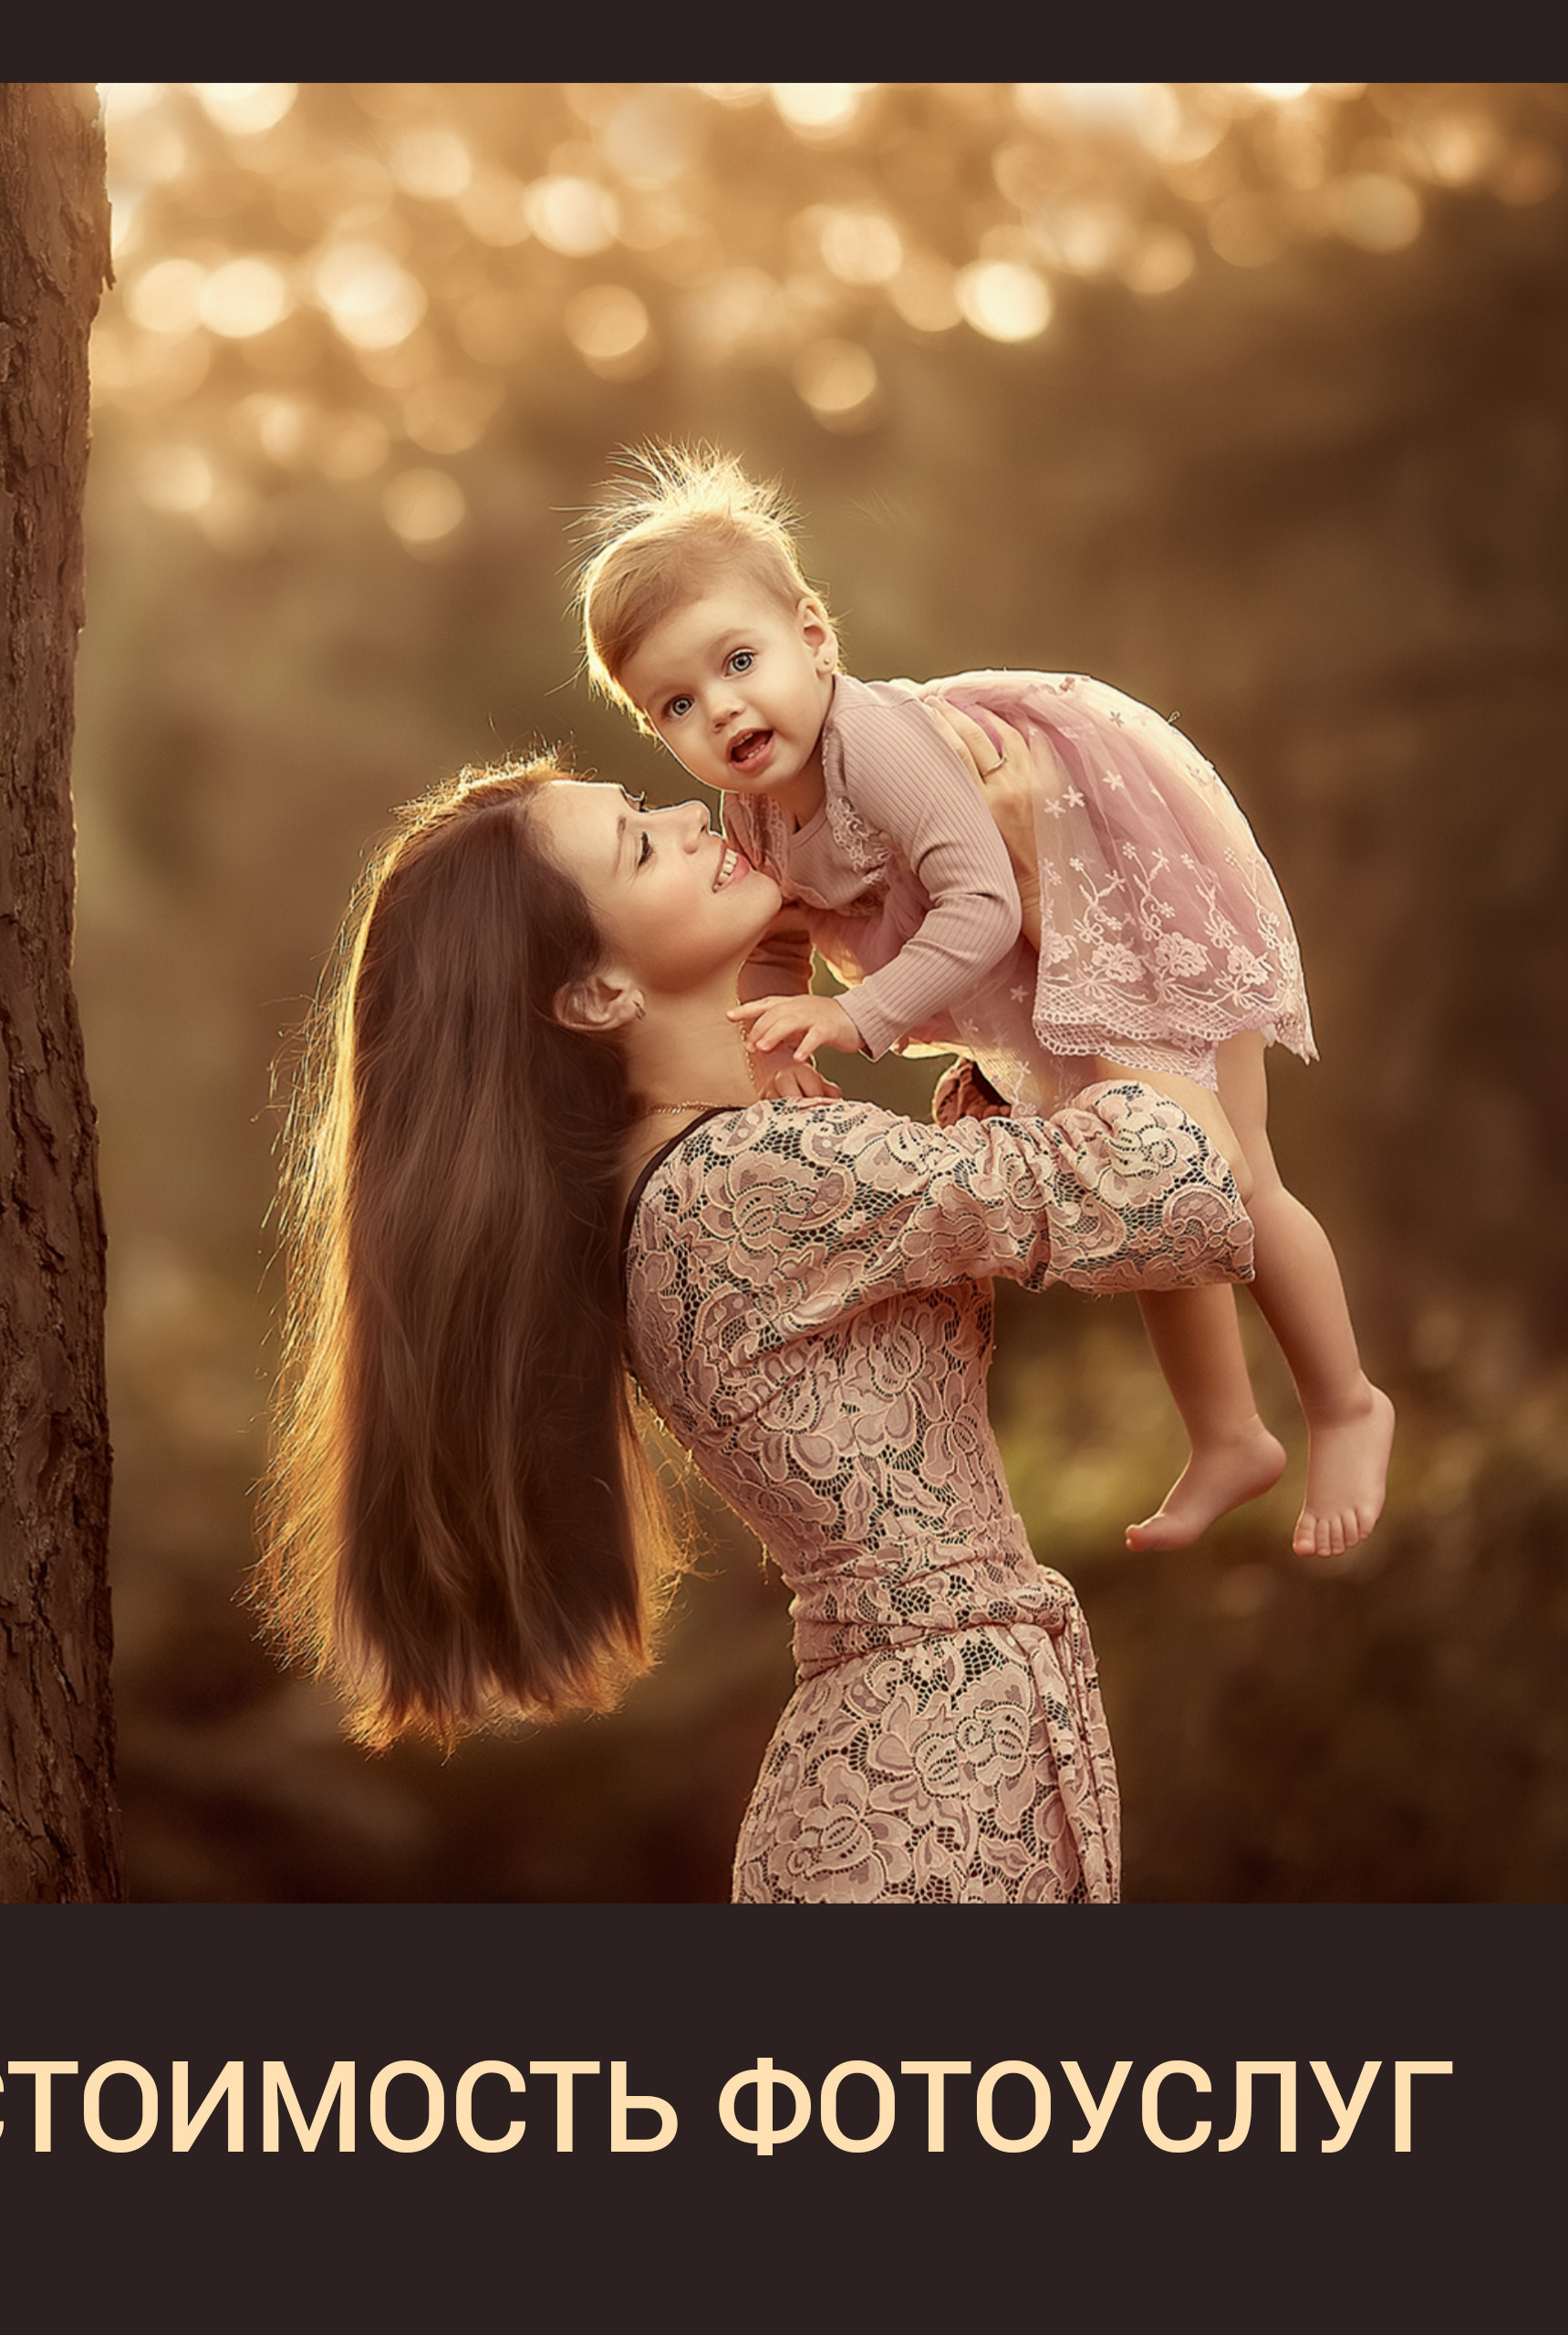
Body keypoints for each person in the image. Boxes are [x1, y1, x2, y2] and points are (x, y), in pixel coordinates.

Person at [255, 741, 1256, 1903]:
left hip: (924, 1763)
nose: (689, 814)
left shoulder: (699, 1166)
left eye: (646, 804)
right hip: (922, 1797)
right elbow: (1177, 1185)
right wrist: (1066, 893)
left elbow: (997, 1180)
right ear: (597, 993)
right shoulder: (745, 1178)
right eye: (640, 844)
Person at [575, 443, 1394, 1562]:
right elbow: (776, 936)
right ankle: (1230, 1432)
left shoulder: (882, 748)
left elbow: (979, 897)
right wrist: (772, 1038)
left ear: (815, 638)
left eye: (739, 660)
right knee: (1152, 1194)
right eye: (678, 702)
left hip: (1122, 918)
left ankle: (1347, 1403)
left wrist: (856, 1020)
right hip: (1045, 971)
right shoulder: (757, 810)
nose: (722, 709)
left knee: (1235, 1169)